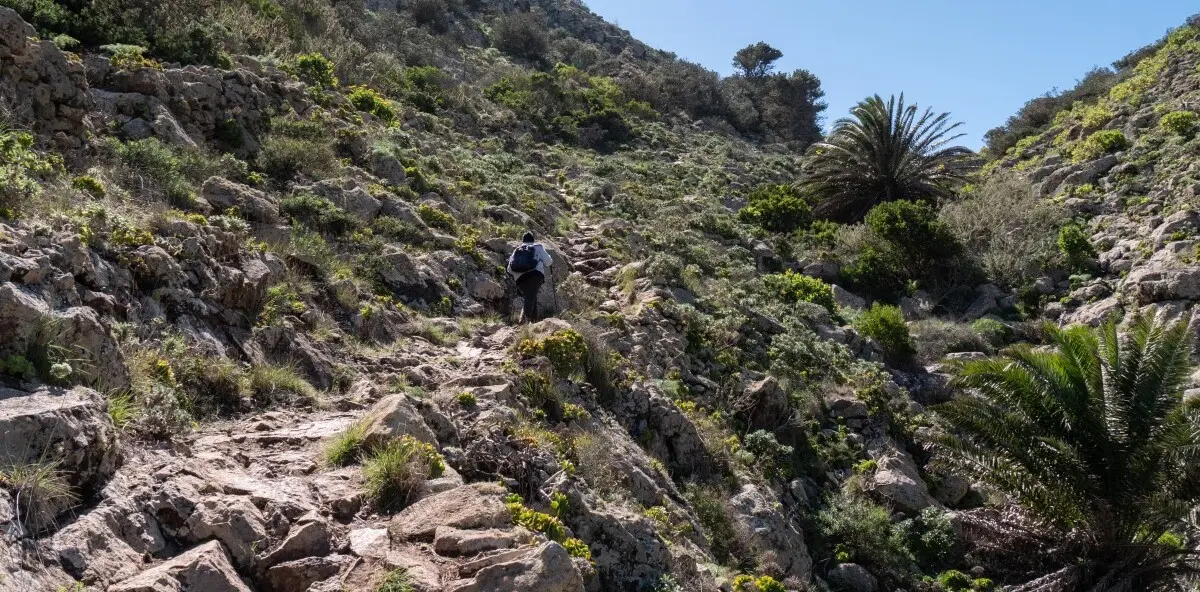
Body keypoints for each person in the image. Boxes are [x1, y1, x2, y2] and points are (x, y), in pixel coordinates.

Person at [508, 231, 553, 324]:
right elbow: (548, 262)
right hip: (535, 276)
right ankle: (524, 321)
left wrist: (519, 273)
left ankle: (533, 322)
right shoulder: (538, 247)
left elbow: (509, 269)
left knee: (531, 295)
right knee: (530, 296)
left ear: (522, 240)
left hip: (520, 278)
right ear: (533, 240)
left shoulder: (517, 249)